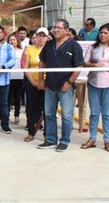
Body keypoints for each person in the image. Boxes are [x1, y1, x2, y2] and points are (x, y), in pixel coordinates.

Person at [38, 19, 84, 152]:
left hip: (65, 86)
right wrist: (41, 80)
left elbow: (78, 66)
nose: (55, 30)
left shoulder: (74, 45)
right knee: (49, 113)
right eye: (54, 27)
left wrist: (69, 82)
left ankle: (64, 141)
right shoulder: (49, 44)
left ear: (66, 30)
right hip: (50, 85)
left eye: (59, 27)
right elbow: (42, 62)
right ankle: (51, 140)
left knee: (67, 115)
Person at [82, 23, 109, 152]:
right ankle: (92, 138)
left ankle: (107, 140)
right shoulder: (93, 48)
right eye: (101, 33)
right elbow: (84, 63)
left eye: (105, 33)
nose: (102, 35)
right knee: (94, 113)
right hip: (94, 82)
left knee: (107, 114)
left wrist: (108, 69)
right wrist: (95, 66)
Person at [22, 27, 48, 142]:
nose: (41, 38)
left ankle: (48, 134)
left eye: (44, 36)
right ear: (35, 37)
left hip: (47, 83)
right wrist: (33, 81)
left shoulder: (50, 50)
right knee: (32, 107)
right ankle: (31, 132)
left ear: (47, 38)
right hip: (31, 82)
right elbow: (25, 67)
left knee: (48, 108)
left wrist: (44, 82)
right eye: (39, 35)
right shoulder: (29, 49)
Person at [7, 33, 23, 125]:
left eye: (13, 40)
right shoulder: (6, 51)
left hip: (19, 77)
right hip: (8, 77)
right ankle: (7, 115)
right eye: (10, 40)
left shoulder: (21, 51)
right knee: (8, 98)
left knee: (17, 97)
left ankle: (17, 115)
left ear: (17, 41)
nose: (11, 41)